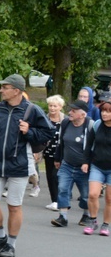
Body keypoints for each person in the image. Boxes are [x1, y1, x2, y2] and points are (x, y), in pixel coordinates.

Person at [0, 74, 53, 257]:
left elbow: (48, 133)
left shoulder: (31, 110)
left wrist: (30, 131)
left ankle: (11, 244)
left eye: (5, 87)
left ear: (16, 90)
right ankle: (1, 237)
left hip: (19, 165)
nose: (1, 90)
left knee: (14, 206)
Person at [51, 99, 92, 228]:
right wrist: (58, 158)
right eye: (70, 110)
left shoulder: (90, 125)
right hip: (67, 164)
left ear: (83, 114)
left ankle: (86, 215)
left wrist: (88, 163)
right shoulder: (65, 123)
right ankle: (63, 217)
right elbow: (60, 142)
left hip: (84, 167)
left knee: (85, 195)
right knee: (63, 189)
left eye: (74, 111)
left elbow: (94, 147)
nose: (70, 112)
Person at [84, 94, 111, 235]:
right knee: (93, 194)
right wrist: (85, 162)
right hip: (97, 165)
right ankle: (93, 221)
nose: (105, 114)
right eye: (103, 111)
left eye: (108, 111)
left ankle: (106, 224)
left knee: (109, 199)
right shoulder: (97, 125)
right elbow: (88, 145)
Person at [42, 95, 65, 211]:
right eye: (50, 106)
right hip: (48, 152)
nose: (52, 108)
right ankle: (54, 201)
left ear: (60, 107)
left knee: (56, 176)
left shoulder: (64, 121)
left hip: (60, 154)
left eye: (55, 106)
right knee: (50, 177)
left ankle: (60, 200)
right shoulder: (45, 119)